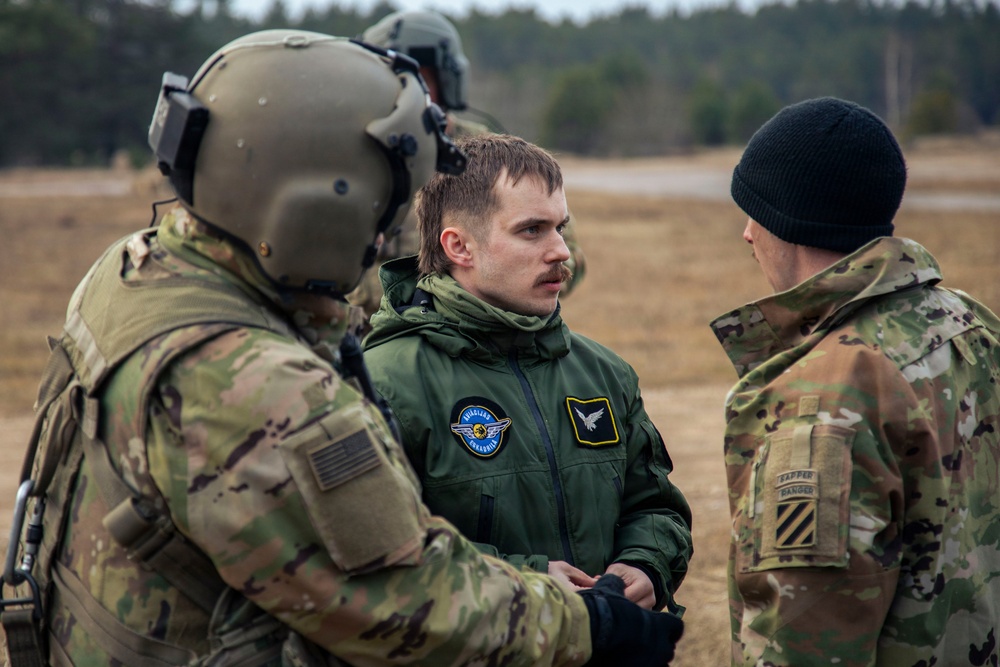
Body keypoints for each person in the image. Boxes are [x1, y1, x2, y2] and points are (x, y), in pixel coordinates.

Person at [0, 30, 684, 666]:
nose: (385, 234)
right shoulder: (254, 382)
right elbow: (404, 597)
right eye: (382, 205)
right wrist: (586, 623)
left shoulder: (136, 267)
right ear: (316, 209)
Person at [710, 96, 1000, 666]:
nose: (747, 234)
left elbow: (807, 640)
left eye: (754, 212)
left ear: (789, 220)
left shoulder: (825, 393)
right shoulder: (972, 325)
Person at [362, 133, 693, 616]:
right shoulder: (385, 384)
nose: (561, 251)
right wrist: (525, 583)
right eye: (532, 230)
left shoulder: (603, 373)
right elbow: (379, 552)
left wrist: (644, 566)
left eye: (561, 226)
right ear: (460, 246)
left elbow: (655, 507)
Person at [348, 10, 586, 330]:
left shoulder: (490, 158)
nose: (401, 92)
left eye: (414, 78)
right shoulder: (350, 159)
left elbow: (568, 257)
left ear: (446, 80)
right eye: (388, 79)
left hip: (476, 344)